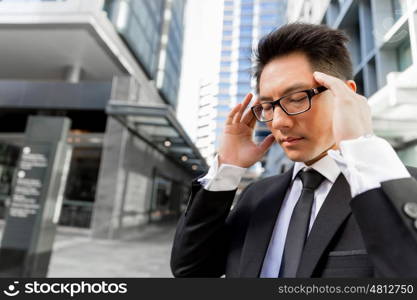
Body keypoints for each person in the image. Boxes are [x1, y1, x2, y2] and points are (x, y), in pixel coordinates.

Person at [170, 23, 417, 278]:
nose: (278, 122)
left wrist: (360, 145)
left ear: (345, 95)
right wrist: (227, 168)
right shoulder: (257, 197)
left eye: (298, 98)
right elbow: (190, 269)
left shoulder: (402, 190)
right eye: (268, 106)